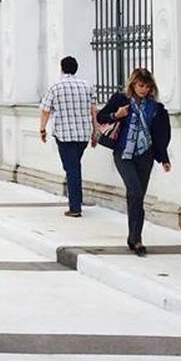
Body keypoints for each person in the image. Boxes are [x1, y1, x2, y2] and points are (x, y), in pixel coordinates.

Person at [96, 68, 172, 256]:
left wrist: (163, 158)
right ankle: (136, 239)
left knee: (137, 198)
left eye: (147, 86)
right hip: (123, 154)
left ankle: (135, 237)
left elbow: (161, 134)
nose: (143, 90)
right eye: (140, 85)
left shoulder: (155, 108)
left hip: (145, 155)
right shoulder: (120, 100)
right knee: (135, 191)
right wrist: (116, 115)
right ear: (133, 84)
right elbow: (100, 117)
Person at [39, 56, 98, 217]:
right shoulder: (87, 86)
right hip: (83, 135)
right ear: (76, 69)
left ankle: (75, 206)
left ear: (62, 68)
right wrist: (95, 131)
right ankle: (75, 200)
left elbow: (45, 110)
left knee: (72, 168)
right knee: (74, 166)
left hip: (64, 135)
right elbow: (94, 110)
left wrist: (42, 129)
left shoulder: (55, 87)